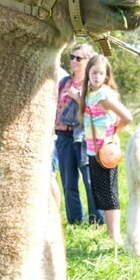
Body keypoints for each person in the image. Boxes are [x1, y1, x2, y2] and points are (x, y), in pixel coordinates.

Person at [79, 53, 132, 243]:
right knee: (101, 193)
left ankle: (115, 236)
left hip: (106, 152)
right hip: (94, 151)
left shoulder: (104, 95)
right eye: (94, 73)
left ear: (106, 76)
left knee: (109, 194)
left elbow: (127, 116)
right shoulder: (90, 95)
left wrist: (115, 130)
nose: (97, 77)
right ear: (88, 73)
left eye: (101, 73)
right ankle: (111, 233)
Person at [55, 42, 102, 225]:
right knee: (68, 183)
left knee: (90, 180)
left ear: (88, 61)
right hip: (63, 136)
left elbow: (98, 108)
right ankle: (75, 221)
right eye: (72, 57)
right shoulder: (64, 82)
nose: (74, 61)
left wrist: (77, 96)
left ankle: (96, 221)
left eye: (79, 58)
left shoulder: (93, 83)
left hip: (85, 136)